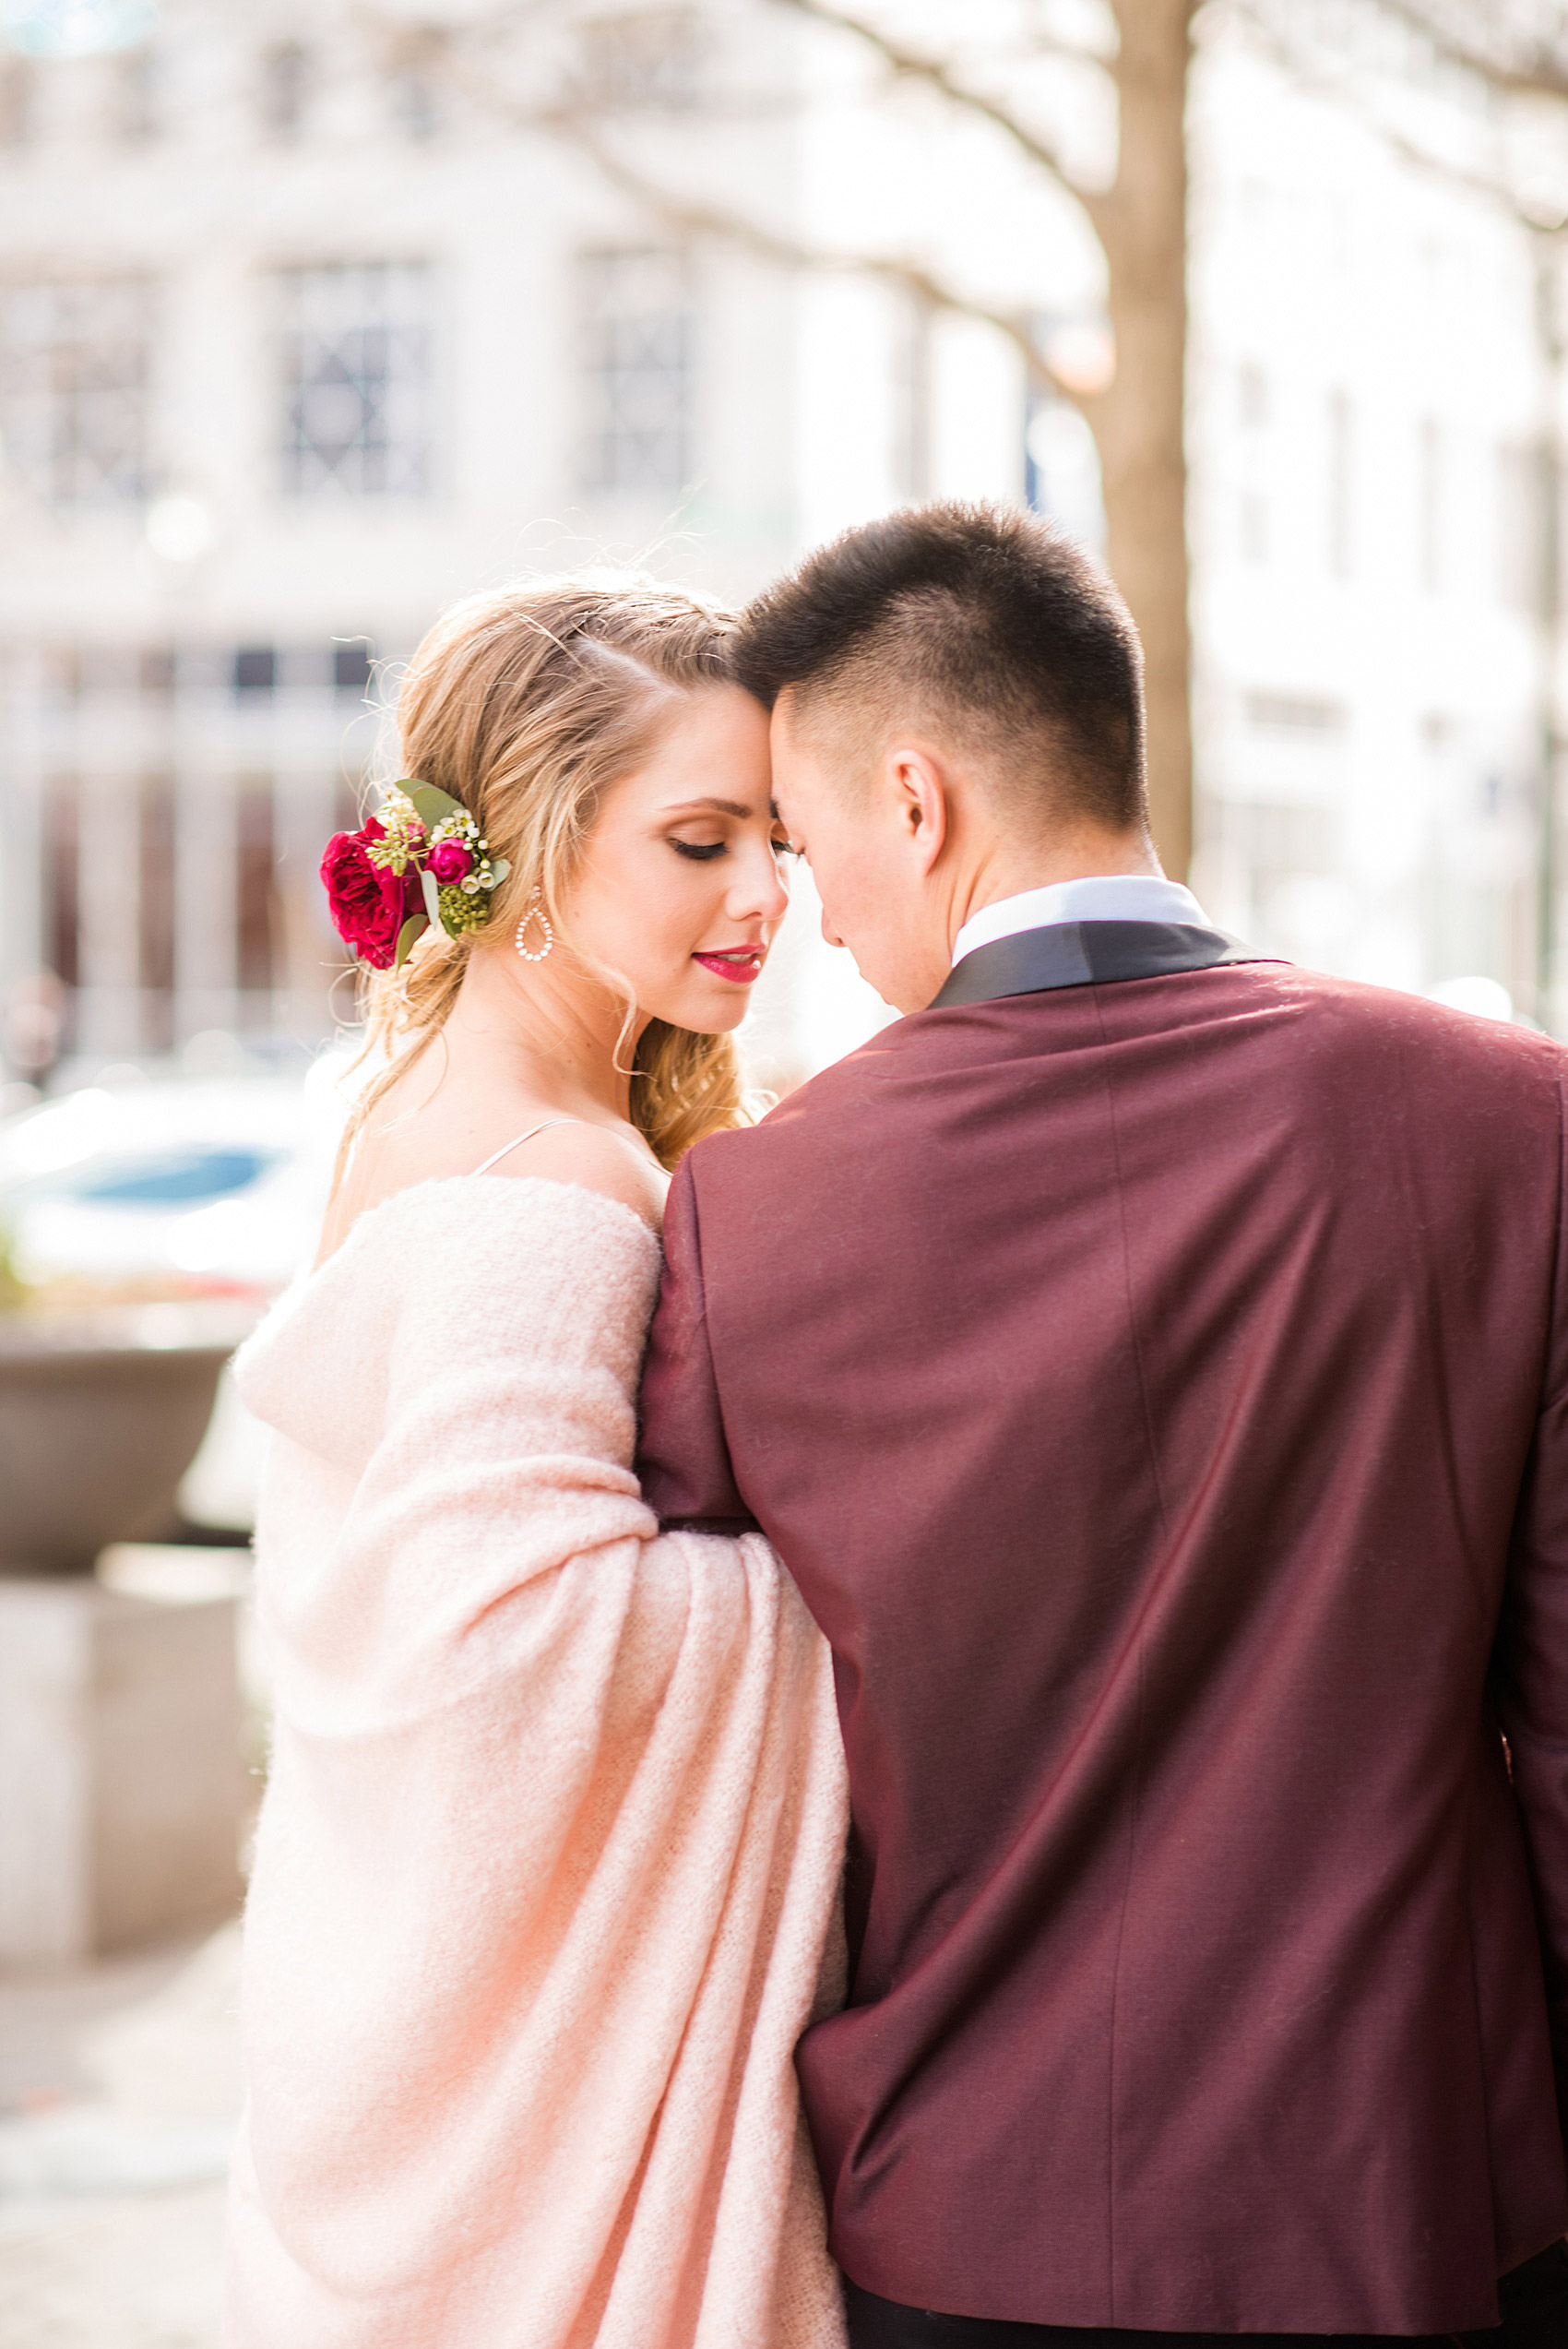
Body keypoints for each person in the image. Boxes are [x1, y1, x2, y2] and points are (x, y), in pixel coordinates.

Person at [637, 501, 1568, 2348]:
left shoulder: (750, 1219)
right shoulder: (1512, 1125)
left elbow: (713, 1740)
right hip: (1420, 2192)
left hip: (963, 2217)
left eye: (815, 848)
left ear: (915, 801)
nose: (815, 911)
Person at [223, 578, 849, 2349]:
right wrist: (857, 1565)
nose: (765, 898)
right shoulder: (563, 1187)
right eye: (702, 839)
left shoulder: (411, 1125)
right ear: (534, 845)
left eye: (780, 842)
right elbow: (512, 1649)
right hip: (524, 2111)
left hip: (396, 1998)